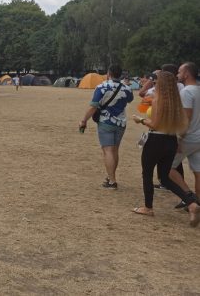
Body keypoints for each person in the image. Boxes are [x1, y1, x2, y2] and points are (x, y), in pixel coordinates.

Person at [132, 71, 199, 226]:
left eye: (157, 81)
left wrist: (141, 120)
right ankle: (191, 203)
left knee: (147, 174)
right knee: (165, 178)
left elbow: (155, 124)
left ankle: (148, 207)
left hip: (156, 140)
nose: (155, 83)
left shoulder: (159, 100)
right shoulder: (176, 102)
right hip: (171, 140)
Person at [79, 64, 133, 189]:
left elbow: (93, 106)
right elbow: (129, 100)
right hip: (120, 123)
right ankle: (110, 176)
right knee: (115, 150)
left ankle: (112, 180)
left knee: (108, 151)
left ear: (108, 73)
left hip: (105, 122)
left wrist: (84, 121)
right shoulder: (126, 88)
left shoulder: (102, 87)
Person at [170, 62, 200, 209]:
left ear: (187, 74)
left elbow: (185, 118)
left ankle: (189, 197)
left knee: (167, 168)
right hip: (198, 137)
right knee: (198, 172)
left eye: (179, 71)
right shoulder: (198, 89)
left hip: (188, 137)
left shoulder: (186, 92)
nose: (177, 74)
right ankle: (198, 201)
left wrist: (179, 139)